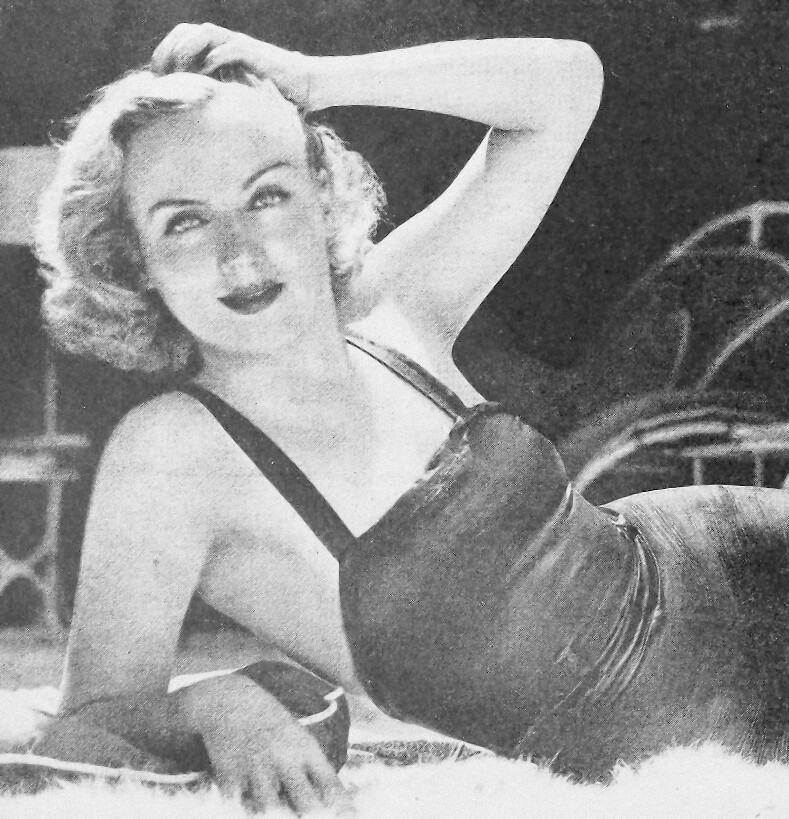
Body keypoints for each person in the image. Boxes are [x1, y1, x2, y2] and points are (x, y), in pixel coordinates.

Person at [26, 22, 789, 813]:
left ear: (320, 198)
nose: (240, 252)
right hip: (696, 732)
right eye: (184, 221)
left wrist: (316, 80)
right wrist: (212, 703)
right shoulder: (169, 449)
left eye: (267, 195)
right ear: (132, 259)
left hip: (737, 565)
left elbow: (566, 85)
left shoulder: (391, 309)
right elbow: (80, 729)